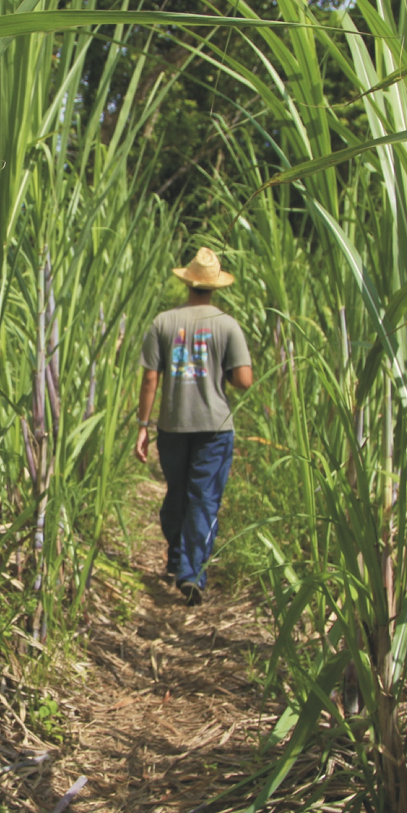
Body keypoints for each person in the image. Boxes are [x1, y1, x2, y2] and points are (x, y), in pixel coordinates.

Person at [134, 248, 254, 606]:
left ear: (187, 282)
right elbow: (244, 380)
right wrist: (224, 372)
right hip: (215, 427)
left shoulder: (163, 323)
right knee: (203, 500)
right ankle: (191, 573)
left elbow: (150, 379)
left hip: (172, 426)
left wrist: (143, 425)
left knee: (176, 494)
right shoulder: (228, 325)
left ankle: (176, 559)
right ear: (215, 286)